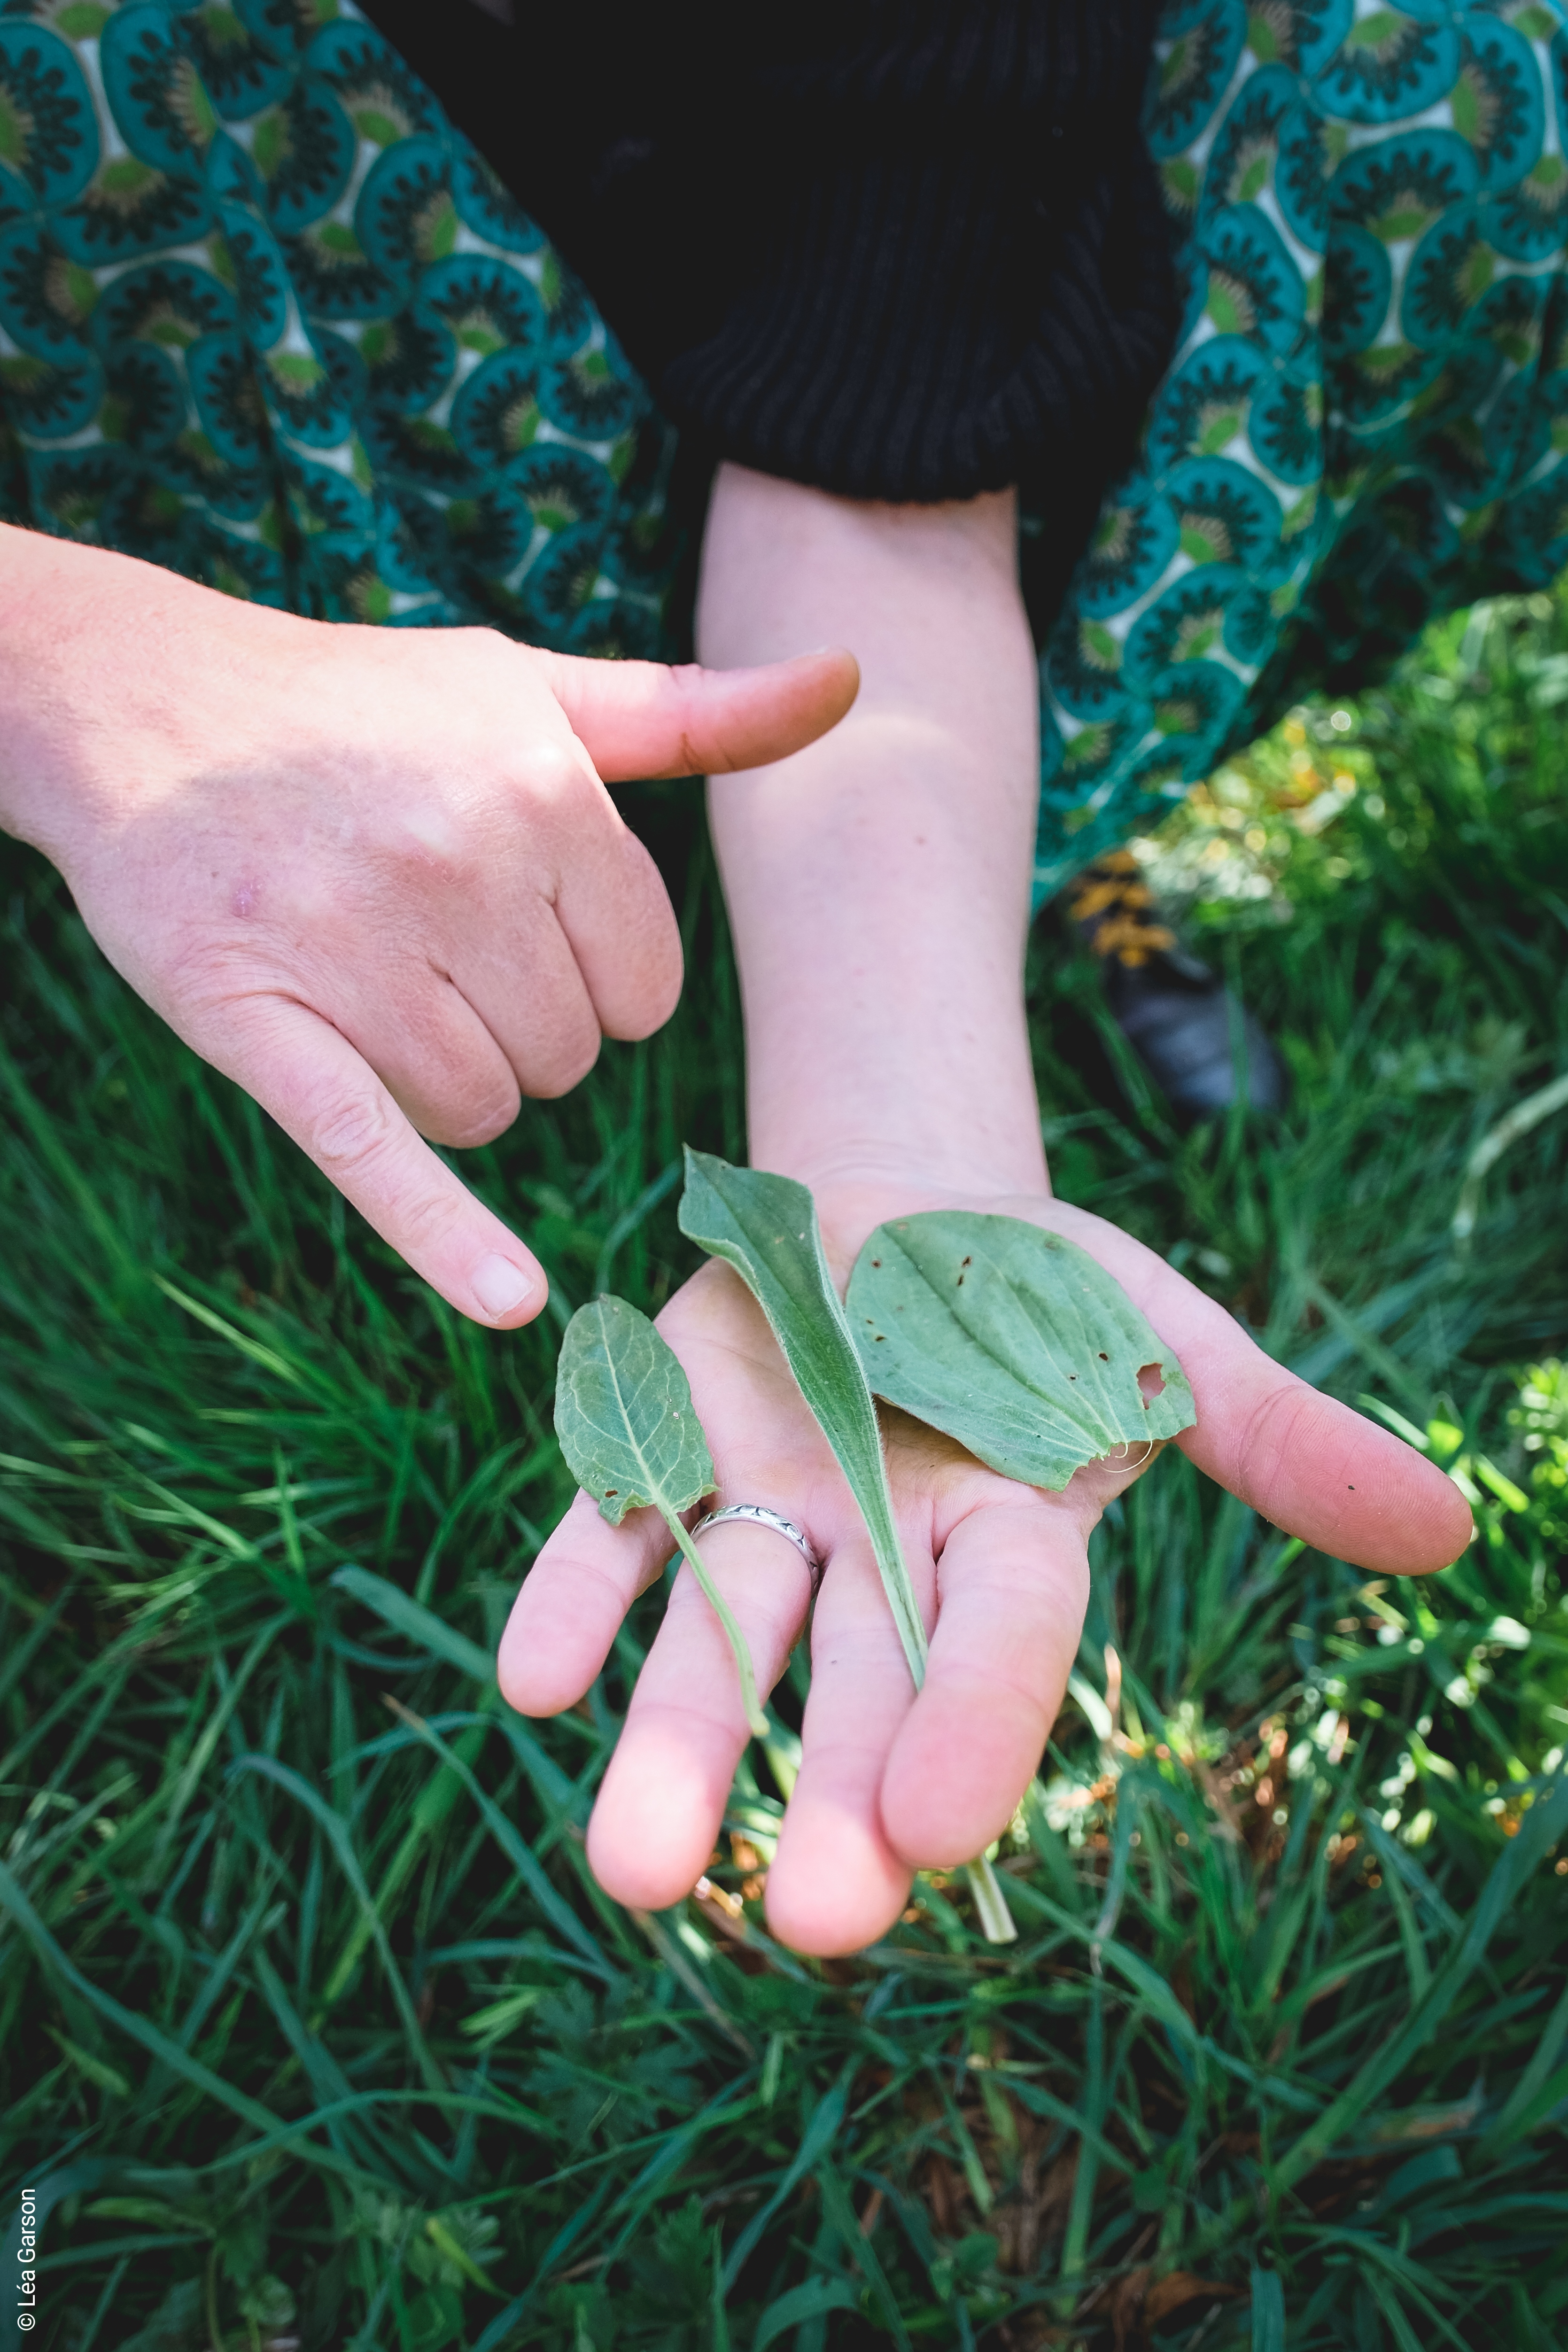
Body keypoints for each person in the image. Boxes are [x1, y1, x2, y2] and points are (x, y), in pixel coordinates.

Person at [7, 0, 1552, 1954]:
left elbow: (894, 310)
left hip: (728, 386)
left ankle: (1023, 832)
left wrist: (893, 1115)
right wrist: (66, 665)